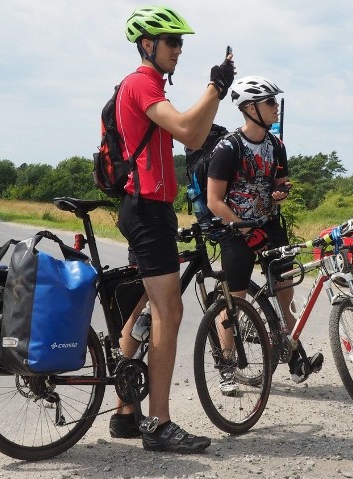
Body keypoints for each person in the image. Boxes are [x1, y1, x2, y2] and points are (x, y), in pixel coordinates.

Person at [108, 5, 235, 454]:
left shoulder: (152, 86)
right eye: (172, 42)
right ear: (149, 45)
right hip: (146, 211)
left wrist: (216, 93)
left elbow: (195, 138)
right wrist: (214, 86)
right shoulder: (142, 81)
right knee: (170, 312)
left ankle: (126, 414)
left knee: (143, 307)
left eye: (181, 42)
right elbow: (185, 127)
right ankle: (159, 425)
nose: (179, 50)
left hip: (148, 209)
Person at [205, 76, 323, 394]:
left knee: (286, 290)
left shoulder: (276, 145)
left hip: (269, 226)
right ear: (251, 108)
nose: (276, 107)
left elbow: (278, 183)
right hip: (234, 229)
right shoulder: (228, 147)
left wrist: (280, 192)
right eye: (271, 102)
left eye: (275, 101)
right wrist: (245, 230)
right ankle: (227, 367)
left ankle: (292, 351)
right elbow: (213, 200)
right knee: (234, 301)